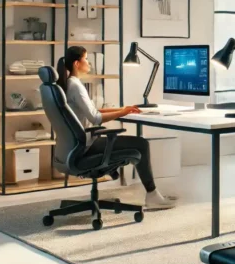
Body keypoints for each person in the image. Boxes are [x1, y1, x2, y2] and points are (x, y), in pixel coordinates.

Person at [56, 46, 176, 210]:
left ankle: (153, 194)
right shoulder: (76, 86)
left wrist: (122, 109)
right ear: (77, 63)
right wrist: (122, 112)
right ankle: (153, 195)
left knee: (138, 145)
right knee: (141, 144)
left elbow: (93, 111)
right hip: (87, 147)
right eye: (86, 59)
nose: (89, 63)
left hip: (75, 146)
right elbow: (96, 118)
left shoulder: (67, 84)